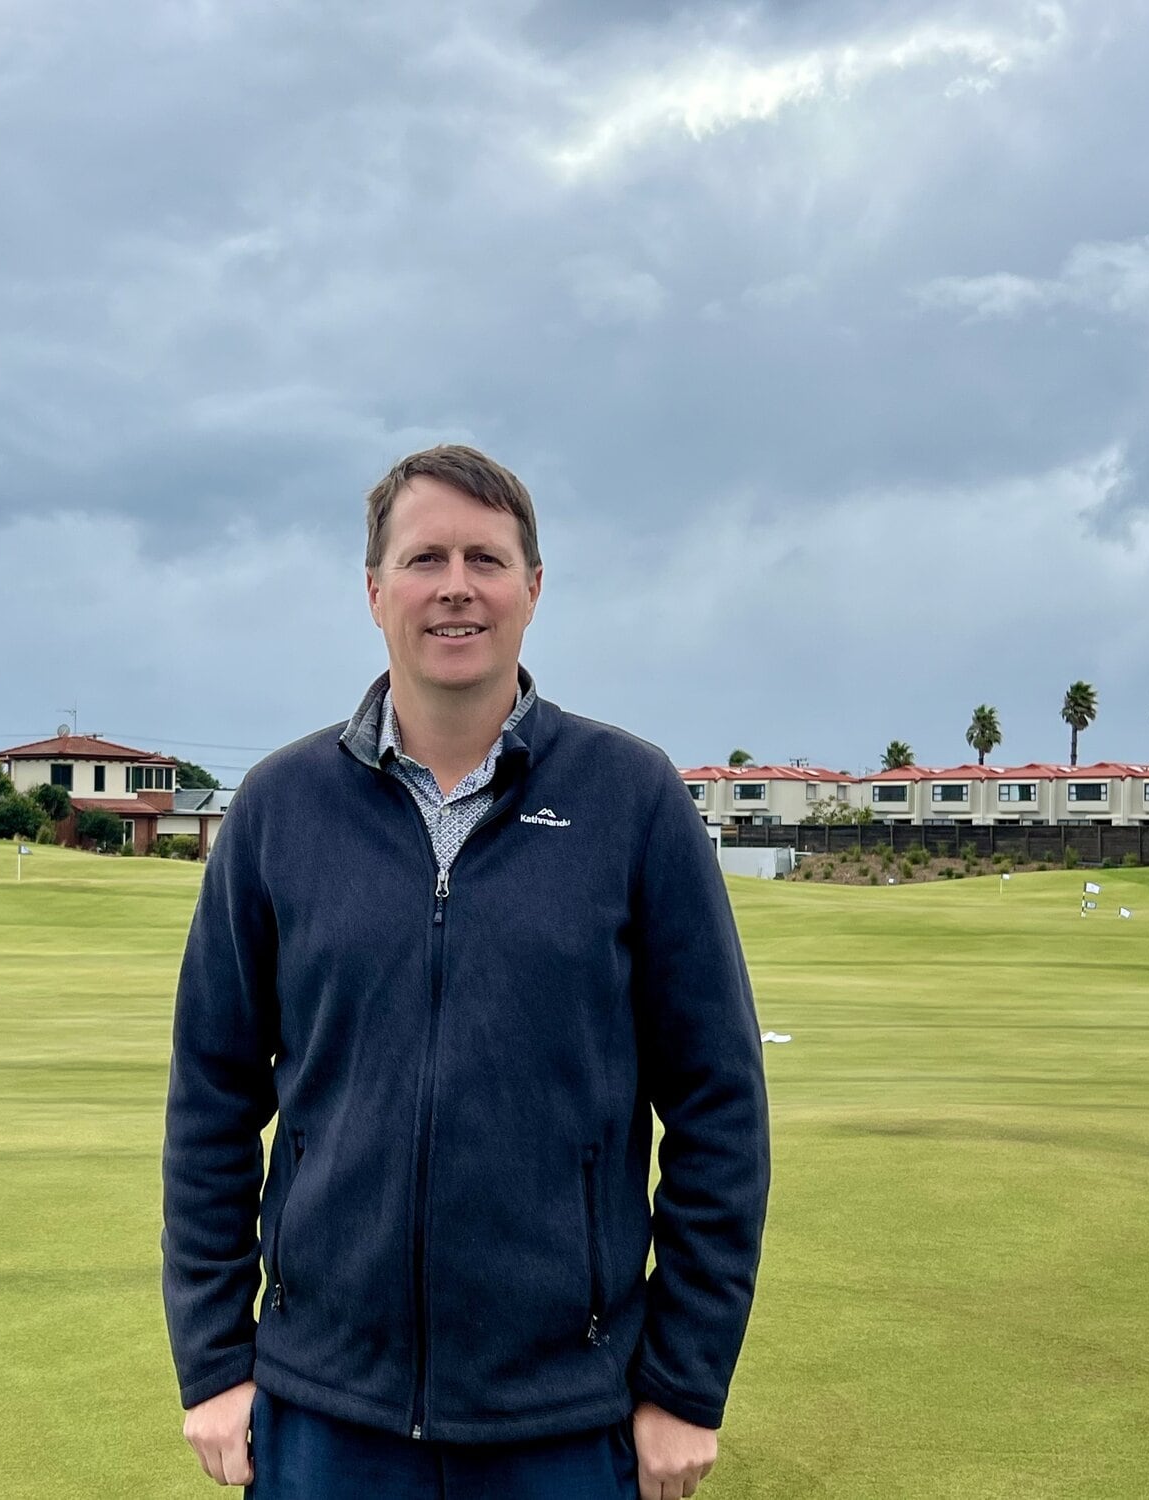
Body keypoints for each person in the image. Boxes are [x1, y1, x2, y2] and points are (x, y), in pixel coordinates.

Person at [163, 445, 770, 1499]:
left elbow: (719, 1107)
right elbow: (210, 1101)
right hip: (321, 1414)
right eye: (423, 557)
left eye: (485, 559)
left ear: (532, 588)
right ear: (373, 591)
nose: (455, 586)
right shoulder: (278, 808)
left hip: (567, 1418)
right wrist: (216, 1362)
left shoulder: (631, 799)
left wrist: (684, 1382)